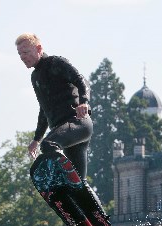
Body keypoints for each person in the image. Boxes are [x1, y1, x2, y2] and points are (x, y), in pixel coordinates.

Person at [15, 32, 105, 214]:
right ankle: (101, 224)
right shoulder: (35, 77)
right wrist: (36, 139)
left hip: (78, 124)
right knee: (79, 183)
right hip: (65, 132)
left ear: (39, 49)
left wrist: (84, 103)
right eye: (20, 54)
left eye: (26, 52)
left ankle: (59, 184)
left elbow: (82, 81)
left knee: (50, 145)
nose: (22, 57)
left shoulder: (56, 63)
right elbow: (44, 110)